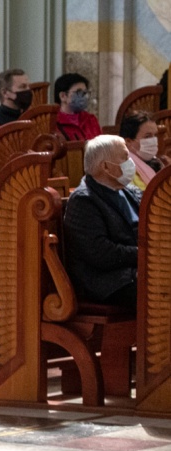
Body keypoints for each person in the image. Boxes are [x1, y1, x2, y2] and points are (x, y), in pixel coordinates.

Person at [63, 135, 140, 311]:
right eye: (125, 157)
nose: (130, 163)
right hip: (108, 281)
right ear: (105, 166)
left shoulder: (130, 191)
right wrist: (146, 255)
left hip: (137, 269)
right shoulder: (84, 200)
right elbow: (101, 253)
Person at [0, 68, 32, 144]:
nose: (28, 90)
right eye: (23, 87)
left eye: (28, 86)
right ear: (5, 92)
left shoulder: (26, 117)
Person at [120, 111, 165, 191]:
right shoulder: (123, 169)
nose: (154, 140)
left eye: (155, 135)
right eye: (147, 136)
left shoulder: (157, 163)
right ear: (128, 141)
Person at [54, 72, 102, 141]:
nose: (85, 96)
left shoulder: (90, 119)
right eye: (79, 92)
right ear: (63, 96)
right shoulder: (53, 123)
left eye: (85, 92)